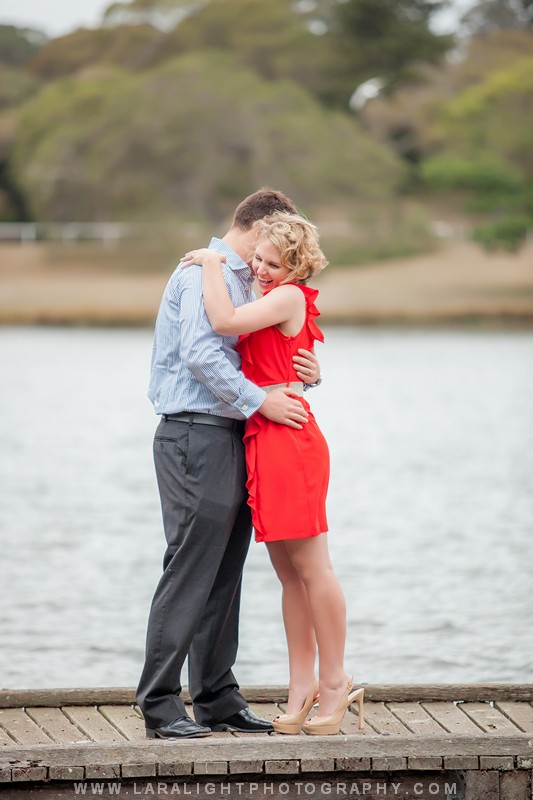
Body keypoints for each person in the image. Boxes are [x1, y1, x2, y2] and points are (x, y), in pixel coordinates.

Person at [136, 189, 322, 740]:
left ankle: (216, 696)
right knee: (191, 565)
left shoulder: (252, 283)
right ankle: (160, 702)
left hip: (238, 435)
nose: (270, 261)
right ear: (259, 227)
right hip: (194, 433)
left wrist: (307, 371)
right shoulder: (202, 272)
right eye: (268, 246)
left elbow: (271, 351)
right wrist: (260, 401)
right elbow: (200, 351)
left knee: (226, 571)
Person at [181, 212, 364, 736]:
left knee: (314, 568)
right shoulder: (278, 297)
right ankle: (300, 686)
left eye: (272, 263)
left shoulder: (287, 296)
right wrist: (309, 376)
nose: (260, 269)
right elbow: (282, 359)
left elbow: (222, 322)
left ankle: (335, 681)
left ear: (296, 266)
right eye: (257, 258)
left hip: (292, 442)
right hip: (266, 437)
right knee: (290, 575)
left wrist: (213, 261)